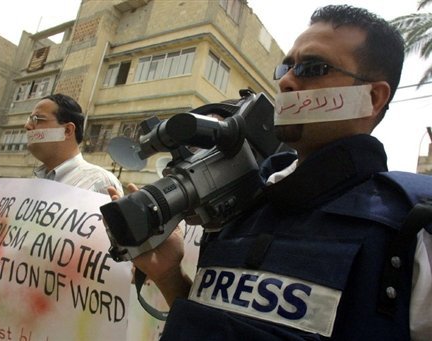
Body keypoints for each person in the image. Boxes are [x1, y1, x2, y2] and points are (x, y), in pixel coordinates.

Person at [108, 5, 432, 340]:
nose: (288, 81)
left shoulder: (416, 225)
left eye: (313, 67)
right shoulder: (243, 204)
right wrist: (169, 277)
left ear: (372, 97)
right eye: (287, 66)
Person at [0, 93, 123, 207]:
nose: (27, 126)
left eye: (37, 119)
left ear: (68, 130)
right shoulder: (31, 185)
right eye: (29, 120)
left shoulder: (100, 183)